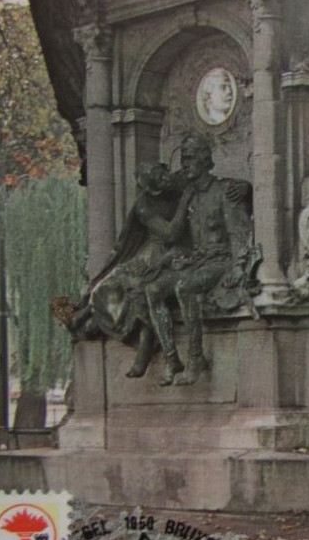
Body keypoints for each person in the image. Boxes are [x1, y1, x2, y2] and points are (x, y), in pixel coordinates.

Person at [145, 132, 252, 386]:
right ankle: (172, 360)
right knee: (152, 291)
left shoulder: (226, 190)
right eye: (183, 158)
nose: (185, 164)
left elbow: (239, 232)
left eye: (190, 158)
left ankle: (195, 359)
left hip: (221, 260)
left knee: (185, 287)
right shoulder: (188, 195)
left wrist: (239, 265)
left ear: (205, 160)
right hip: (198, 261)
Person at [71, 162, 192, 377]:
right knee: (107, 285)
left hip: (179, 251)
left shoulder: (181, 183)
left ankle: (144, 350)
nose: (164, 176)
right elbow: (168, 233)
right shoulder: (144, 204)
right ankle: (88, 312)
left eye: (163, 171)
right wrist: (184, 202)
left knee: (139, 290)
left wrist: (184, 197)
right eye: (157, 175)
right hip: (153, 250)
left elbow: (176, 238)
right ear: (150, 186)